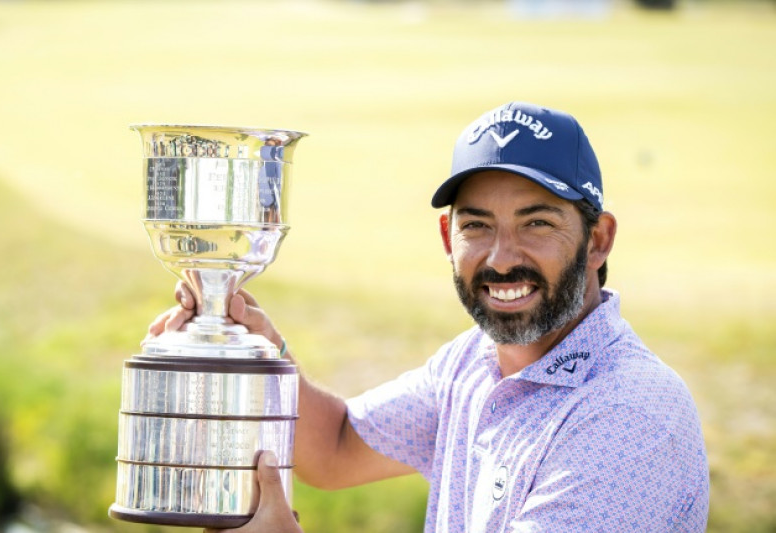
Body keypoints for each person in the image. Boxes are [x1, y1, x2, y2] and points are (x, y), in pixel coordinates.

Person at [149, 101, 710, 532]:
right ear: (448, 235)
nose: (501, 257)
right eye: (477, 225)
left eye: (537, 223)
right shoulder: (470, 363)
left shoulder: (631, 410)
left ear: (598, 240)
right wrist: (253, 353)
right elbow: (337, 449)